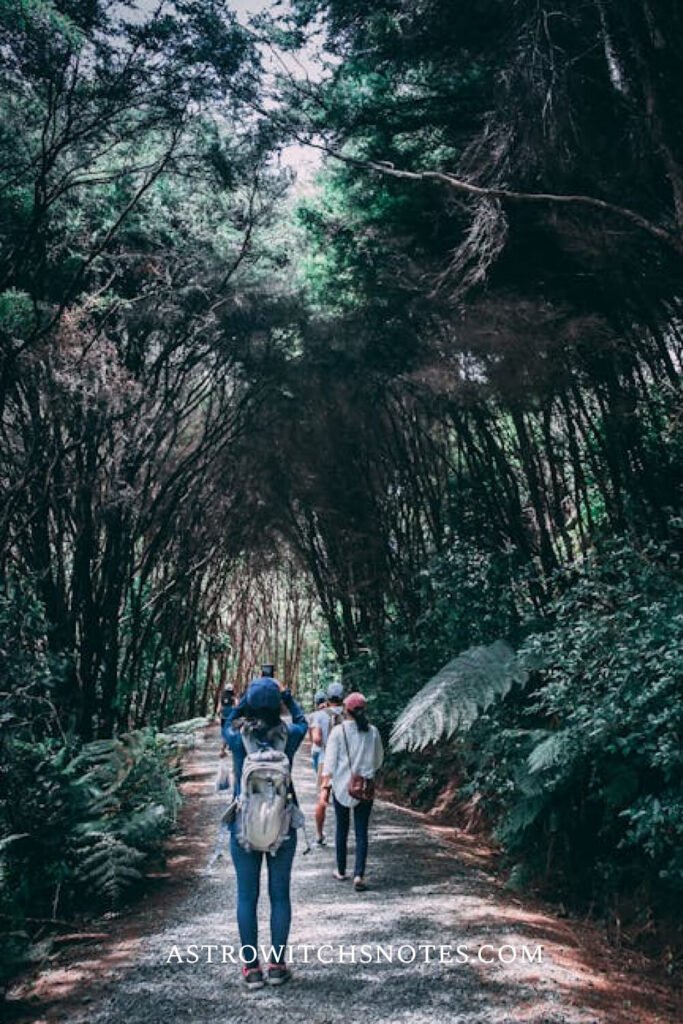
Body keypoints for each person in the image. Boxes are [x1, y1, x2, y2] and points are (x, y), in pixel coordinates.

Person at [222, 676, 308, 988]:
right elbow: (302, 720)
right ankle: (277, 965)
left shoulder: (237, 737)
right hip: (282, 826)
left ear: (249, 704)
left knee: (247, 896)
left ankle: (251, 969)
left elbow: (226, 721)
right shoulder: (291, 735)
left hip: (243, 826)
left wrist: (237, 704)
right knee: (279, 895)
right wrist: (288, 697)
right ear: (278, 705)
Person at [320, 691, 384, 893]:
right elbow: (378, 760)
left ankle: (340, 870)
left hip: (342, 787)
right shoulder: (372, 731)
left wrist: (325, 787)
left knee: (342, 828)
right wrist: (366, 771)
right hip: (365, 787)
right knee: (362, 831)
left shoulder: (338, 732)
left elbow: (329, 764)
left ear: (346, 710)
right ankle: (359, 874)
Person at [312, 681, 345, 846]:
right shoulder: (348, 714)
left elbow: (317, 740)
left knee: (322, 798)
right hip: (344, 763)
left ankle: (319, 833)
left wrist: (324, 743)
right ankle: (342, 835)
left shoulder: (320, 714)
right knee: (344, 799)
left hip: (325, 762)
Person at [308, 691, 327, 776]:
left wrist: (312, 745)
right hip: (327, 750)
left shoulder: (312, 716)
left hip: (316, 749)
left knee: (318, 776)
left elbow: (311, 734)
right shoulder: (330, 715)